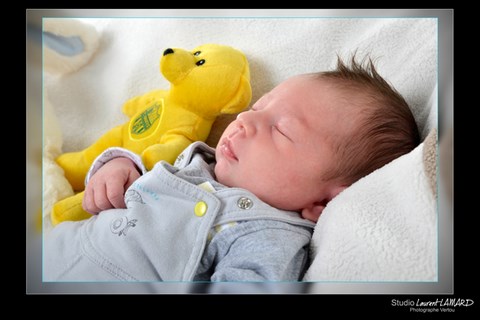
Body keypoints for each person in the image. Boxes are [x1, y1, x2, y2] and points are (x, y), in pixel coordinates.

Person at [44, 55, 419, 282]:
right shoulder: (200, 163)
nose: (243, 119)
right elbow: (141, 178)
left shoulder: (267, 235)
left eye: (281, 131)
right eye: (258, 108)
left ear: (321, 204)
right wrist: (118, 165)